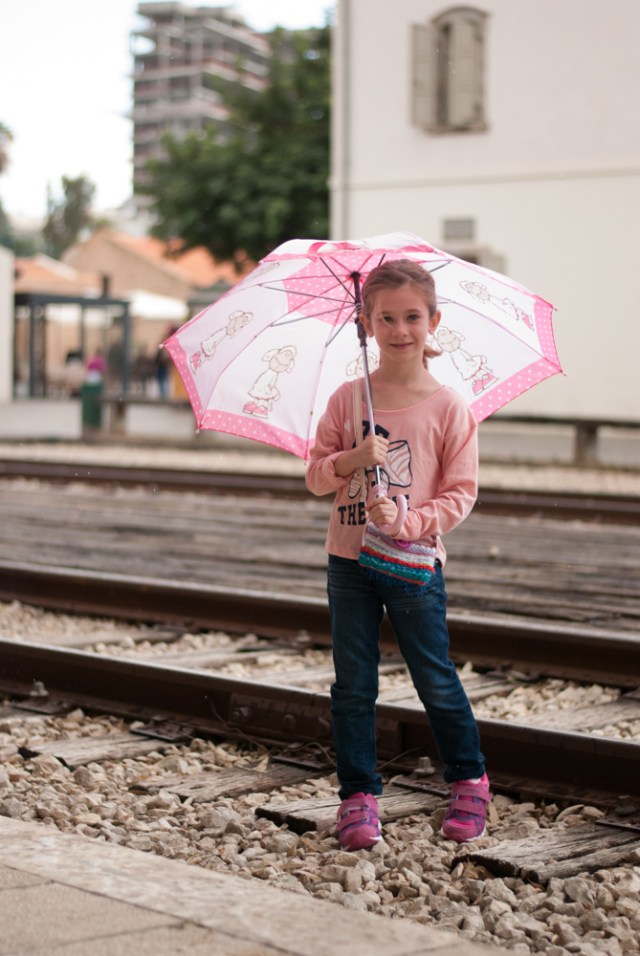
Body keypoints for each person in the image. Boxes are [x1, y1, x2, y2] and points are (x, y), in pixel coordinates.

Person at [305, 260, 490, 851]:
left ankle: (469, 780)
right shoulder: (346, 399)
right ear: (367, 324)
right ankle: (358, 795)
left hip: (414, 565)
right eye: (386, 318)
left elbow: (460, 494)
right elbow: (314, 477)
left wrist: (408, 521)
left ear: (433, 321)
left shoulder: (449, 408)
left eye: (412, 317)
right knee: (353, 685)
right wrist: (352, 461)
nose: (400, 329)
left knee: (433, 676)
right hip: (349, 561)